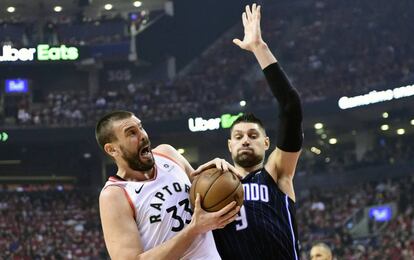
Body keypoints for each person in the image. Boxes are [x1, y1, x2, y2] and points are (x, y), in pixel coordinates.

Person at [211, 3, 303, 260]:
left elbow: (290, 106)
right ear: (229, 146)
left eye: (253, 136)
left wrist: (259, 48)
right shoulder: (211, 188)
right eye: (238, 137)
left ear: (266, 142)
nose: (245, 141)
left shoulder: (276, 174)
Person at [95, 110, 240, 259]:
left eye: (141, 128)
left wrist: (218, 174)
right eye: (131, 133)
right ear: (112, 149)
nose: (143, 136)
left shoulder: (167, 154)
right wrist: (193, 230)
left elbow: (206, 195)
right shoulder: (114, 195)